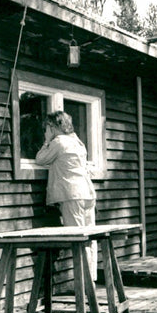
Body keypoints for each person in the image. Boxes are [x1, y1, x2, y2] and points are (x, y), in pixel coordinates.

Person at [35, 110, 97, 279]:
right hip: (87, 192)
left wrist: (47, 141)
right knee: (90, 239)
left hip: (72, 195)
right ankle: (90, 280)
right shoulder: (77, 142)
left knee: (78, 240)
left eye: (46, 128)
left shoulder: (58, 142)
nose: (45, 131)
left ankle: (84, 284)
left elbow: (40, 159)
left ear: (52, 127)